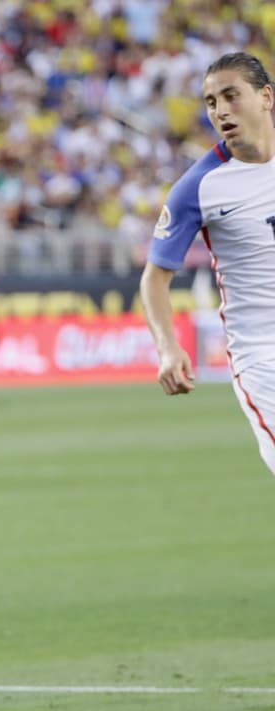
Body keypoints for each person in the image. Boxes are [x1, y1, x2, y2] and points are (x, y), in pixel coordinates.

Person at [141, 52, 275, 474]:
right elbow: (154, 278)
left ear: (266, 96)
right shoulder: (198, 187)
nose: (220, 110)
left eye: (231, 96)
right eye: (211, 101)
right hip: (264, 356)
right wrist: (167, 346)